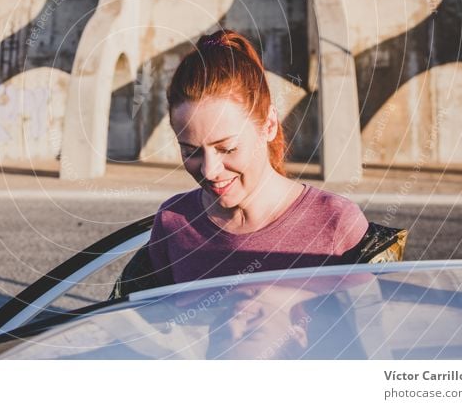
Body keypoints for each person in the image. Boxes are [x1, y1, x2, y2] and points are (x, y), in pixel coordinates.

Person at [146, 29, 370, 286]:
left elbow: (367, 323)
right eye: (190, 151)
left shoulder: (336, 221)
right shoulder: (172, 221)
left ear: (269, 125)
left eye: (227, 148)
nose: (209, 170)